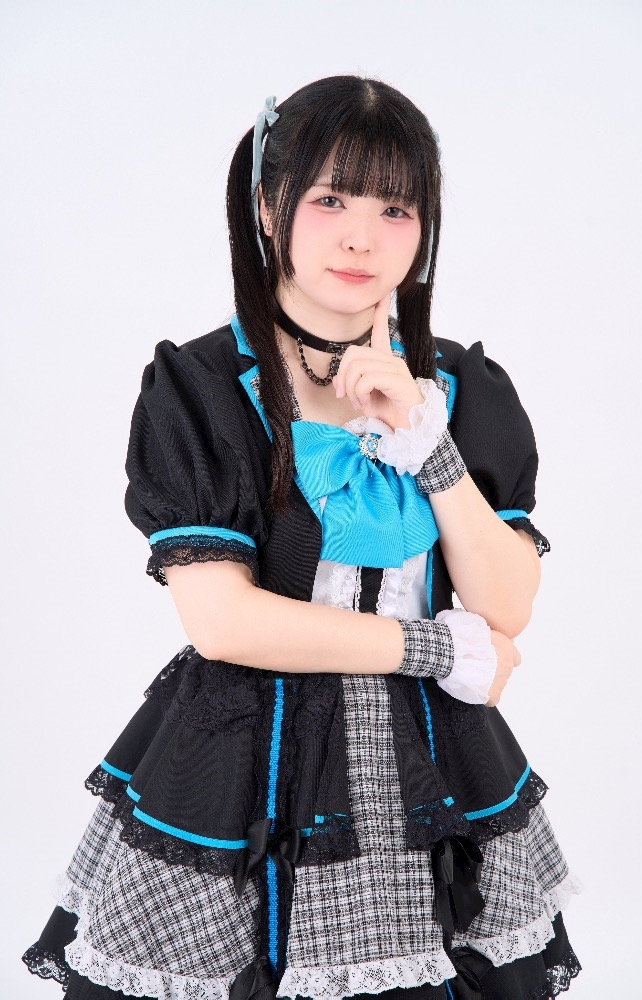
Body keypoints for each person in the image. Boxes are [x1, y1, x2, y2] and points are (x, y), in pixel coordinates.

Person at [23, 75, 581, 1000]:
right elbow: (224, 622)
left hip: (430, 759)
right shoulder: (201, 388)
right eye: (330, 200)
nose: (362, 238)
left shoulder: (463, 389)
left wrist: (429, 445)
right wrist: (434, 647)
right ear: (268, 207)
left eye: (395, 208)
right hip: (246, 757)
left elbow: (508, 604)